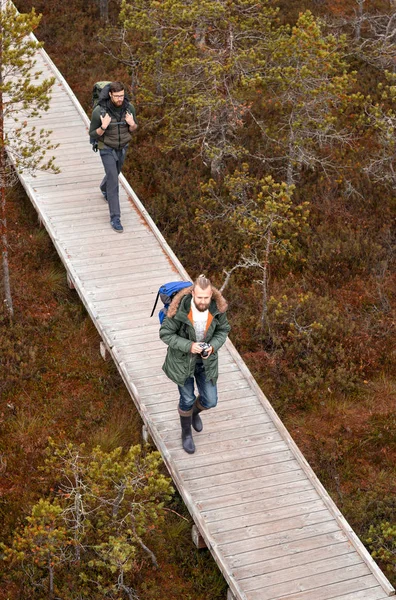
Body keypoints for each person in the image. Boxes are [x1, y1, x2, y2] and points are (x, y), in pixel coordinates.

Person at [159, 275, 231, 454]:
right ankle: (186, 433)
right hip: (182, 362)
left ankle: (193, 414)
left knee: (210, 400)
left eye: (206, 297)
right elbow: (165, 334)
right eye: (199, 297)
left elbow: (223, 330)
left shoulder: (216, 309)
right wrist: (190, 346)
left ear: (211, 294)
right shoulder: (179, 309)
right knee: (187, 398)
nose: (203, 301)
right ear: (193, 294)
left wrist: (212, 347)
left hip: (206, 361)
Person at [89, 81, 138, 233]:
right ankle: (115, 217)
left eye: (122, 96)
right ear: (110, 94)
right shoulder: (99, 111)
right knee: (113, 181)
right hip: (106, 148)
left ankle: (104, 188)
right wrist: (103, 126)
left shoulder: (129, 108)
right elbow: (91, 134)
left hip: (122, 148)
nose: (120, 99)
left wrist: (131, 124)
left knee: (114, 174)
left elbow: (134, 128)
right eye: (116, 96)